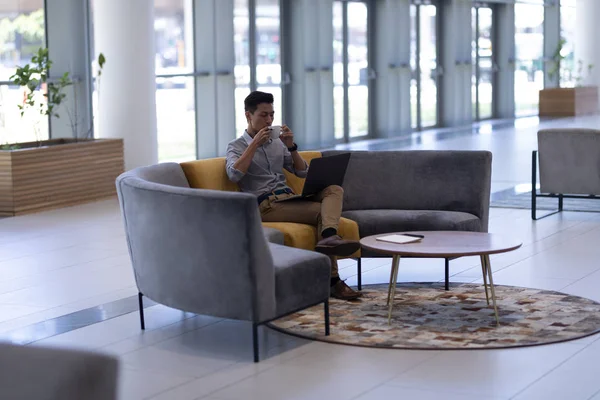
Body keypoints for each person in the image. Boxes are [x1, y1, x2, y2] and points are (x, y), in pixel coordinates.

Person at [225, 91, 361, 300]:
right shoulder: (236, 146)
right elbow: (234, 174)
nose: (269, 120)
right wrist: (254, 145)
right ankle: (333, 279)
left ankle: (328, 238)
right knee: (321, 214)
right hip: (266, 205)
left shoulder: (277, 143)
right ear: (248, 116)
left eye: (272, 114)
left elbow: (301, 171)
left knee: (335, 189)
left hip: (288, 198)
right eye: (263, 115)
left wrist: (292, 147)